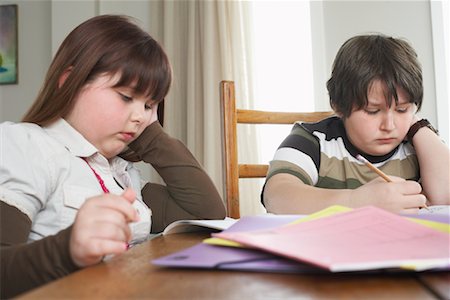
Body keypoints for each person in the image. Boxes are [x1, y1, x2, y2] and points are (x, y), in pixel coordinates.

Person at [0, 15, 226, 298]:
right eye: (126, 96)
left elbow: (205, 212)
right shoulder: (28, 147)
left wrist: (146, 132)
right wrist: (67, 249)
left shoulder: (119, 173)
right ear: (70, 82)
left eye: (151, 104)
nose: (141, 116)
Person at [262, 34, 450, 215]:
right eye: (372, 111)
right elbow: (277, 196)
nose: (389, 125)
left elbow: (444, 197)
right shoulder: (313, 140)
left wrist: (419, 127)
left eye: (401, 110)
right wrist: (355, 201)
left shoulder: (415, 145)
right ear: (338, 105)